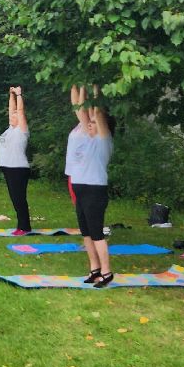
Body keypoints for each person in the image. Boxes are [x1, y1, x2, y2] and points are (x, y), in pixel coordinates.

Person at [66, 84, 115, 286]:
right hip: (80, 188)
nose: (90, 123)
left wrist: (95, 89)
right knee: (86, 233)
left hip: (95, 190)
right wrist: (77, 83)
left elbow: (98, 112)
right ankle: (94, 268)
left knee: (96, 233)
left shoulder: (104, 141)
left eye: (93, 122)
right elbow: (78, 107)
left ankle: (107, 271)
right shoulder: (86, 136)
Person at [0, 86, 32, 235]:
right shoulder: (11, 129)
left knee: (19, 198)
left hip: (18, 168)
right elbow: (12, 110)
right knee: (15, 198)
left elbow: (20, 111)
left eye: (15, 116)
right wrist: (11, 95)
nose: (12, 117)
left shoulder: (22, 130)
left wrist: (19, 95)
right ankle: (20, 226)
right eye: (11, 116)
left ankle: (25, 227)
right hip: (8, 167)